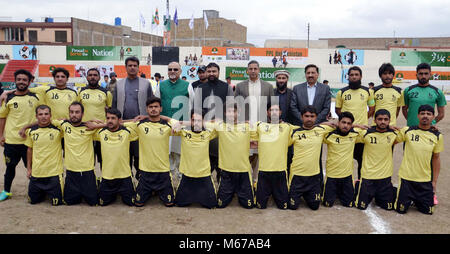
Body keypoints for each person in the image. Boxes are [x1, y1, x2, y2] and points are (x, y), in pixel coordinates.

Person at [20, 102, 99, 206]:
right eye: (71, 112)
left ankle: (96, 183)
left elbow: (112, 126)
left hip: (85, 170)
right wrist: (25, 127)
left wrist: (102, 124)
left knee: (94, 203)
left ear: (82, 114)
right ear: (69, 113)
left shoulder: (90, 128)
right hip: (69, 171)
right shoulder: (63, 125)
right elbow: (43, 122)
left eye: (77, 112)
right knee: (67, 202)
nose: (74, 114)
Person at [124, 97, 176, 207]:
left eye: (156, 107)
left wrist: (157, 117)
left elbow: (178, 122)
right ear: (146, 109)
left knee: (170, 203)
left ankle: (159, 190)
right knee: (138, 203)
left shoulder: (168, 125)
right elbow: (118, 123)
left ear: (161, 108)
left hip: (163, 170)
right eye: (150, 107)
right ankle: (148, 190)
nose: (153, 109)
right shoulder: (139, 125)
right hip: (145, 171)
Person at [0, 70, 42, 202]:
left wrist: (27, 127)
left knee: (32, 168)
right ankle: (6, 191)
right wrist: (1, 135)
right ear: (15, 81)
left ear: (30, 81)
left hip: (29, 141)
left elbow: (41, 117)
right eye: (19, 79)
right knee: (10, 167)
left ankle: (36, 191)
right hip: (11, 141)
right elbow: (2, 117)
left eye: (24, 80)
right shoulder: (8, 98)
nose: (21, 82)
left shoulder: (35, 97)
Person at [395, 105, 444, 215]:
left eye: (428, 114)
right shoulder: (408, 131)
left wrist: (434, 182)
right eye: (422, 113)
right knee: (401, 210)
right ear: (418, 116)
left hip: (424, 180)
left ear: (433, 117)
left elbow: (436, 159)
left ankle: (416, 199)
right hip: (406, 179)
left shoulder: (437, 136)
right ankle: (399, 193)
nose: (425, 116)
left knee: (428, 211)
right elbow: (390, 139)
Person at [113, 56, 153, 180]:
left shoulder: (146, 84)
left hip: (140, 126)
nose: (132, 68)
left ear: (138, 68)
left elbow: (151, 104)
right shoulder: (119, 84)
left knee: (140, 156)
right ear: (125, 67)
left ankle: (142, 181)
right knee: (124, 155)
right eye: (130, 65)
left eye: (135, 65)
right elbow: (114, 104)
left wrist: (147, 118)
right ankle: (126, 182)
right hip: (122, 126)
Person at [193, 62, 234, 182]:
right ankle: (206, 188)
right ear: (206, 73)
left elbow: (231, 109)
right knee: (206, 161)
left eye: (214, 71)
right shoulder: (200, 88)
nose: (211, 74)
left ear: (218, 73)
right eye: (209, 71)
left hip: (222, 130)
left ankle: (223, 186)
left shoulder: (226, 87)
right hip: (205, 129)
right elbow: (196, 109)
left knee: (222, 161)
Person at [234, 60, 274, 184]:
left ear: (259, 70)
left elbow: (271, 106)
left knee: (259, 153)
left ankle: (256, 180)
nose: (252, 71)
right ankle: (245, 179)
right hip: (245, 125)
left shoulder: (268, 86)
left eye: (255, 69)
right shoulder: (240, 86)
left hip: (262, 125)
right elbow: (236, 105)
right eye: (250, 69)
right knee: (245, 152)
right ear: (247, 70)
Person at [288, 106, 334, 210]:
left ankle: (306, 194)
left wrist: (357, 125)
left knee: (315, 207)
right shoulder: (294, 132)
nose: (309, 119)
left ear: (316, 117)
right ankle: (300, 193)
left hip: (313, 177)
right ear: (301, 117)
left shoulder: (322, 130)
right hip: (297, 176)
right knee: (292, 206)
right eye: (307, 116)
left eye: (312, 116)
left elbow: (342, 125)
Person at [154, 62, 194, 181]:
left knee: (181, 152)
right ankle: (169, 178)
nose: (172, 71)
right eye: (170, 69)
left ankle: (182, 178)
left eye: (175, 69)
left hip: (182, 126)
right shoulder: (161, 85)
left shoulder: (187, 85)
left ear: (180, 71)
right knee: (166, 152)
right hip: (164, 125)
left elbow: (193, 105)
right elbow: (156, 104)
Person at [355, 109, 401, 211]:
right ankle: (358, 184)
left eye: (386, 119)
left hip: (384, 178)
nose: (383, 122)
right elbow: (345, 129)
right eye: (380, 119)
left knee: (388, 207)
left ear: (389, 121)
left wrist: (431, 129)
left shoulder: (393, 134)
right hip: (368, 177)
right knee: (361, 206)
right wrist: (356, 126)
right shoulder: (366, 133)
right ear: (375, 120)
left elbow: (410, 132)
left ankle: (391, 190)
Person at [172, 109, 218, 209]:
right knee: (180, 203)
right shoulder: (183, 132)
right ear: (190, 120)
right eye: (193, 120)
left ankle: (199, 194)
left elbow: (220, 123)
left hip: (204, 174)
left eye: (199, 120)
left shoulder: (208, 133)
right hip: (187, 174)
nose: (196, 123)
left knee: (212, 204)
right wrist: (180, 123)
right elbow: (169, 122)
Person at [335, 66, 375, 180]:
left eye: (356, 75)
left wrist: (363, 119)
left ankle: (360, 185)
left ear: (361, 76)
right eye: (351, 75)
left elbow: (372, 108)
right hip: (346, 132)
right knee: (344, 161)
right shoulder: (341, 92)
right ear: (348, 76)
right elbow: (338, 109)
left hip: (361, 133)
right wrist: (348, 123)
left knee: (362, 160)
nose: (354, 77)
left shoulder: (368, 91)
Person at [215, 104, 256, 209]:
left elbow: (262, 135)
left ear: (238, 113)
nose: (231, 114)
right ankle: (231, 191)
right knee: (220, 205)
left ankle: (239, 191)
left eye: (233, 111)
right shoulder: (220, 126)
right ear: (225, 113)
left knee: (249, 205)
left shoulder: (247, 127)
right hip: (227, 170)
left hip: (243, 171)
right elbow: (199, 122)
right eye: (228, 111)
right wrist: (177, 123)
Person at [94, 108, 138, 206]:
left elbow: (138, 123)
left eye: (113, 118)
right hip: (107, 177)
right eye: (108, 118)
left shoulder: (127, 132)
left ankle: (131, 185)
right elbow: (86, 125)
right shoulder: (100, 132)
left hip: (124, 176)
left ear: (119, 120)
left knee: (131, 203)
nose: (110, 120)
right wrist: (102, 124)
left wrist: (123, 123)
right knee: (102, 203)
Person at [1, 67, 78, 121]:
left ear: (67, 79)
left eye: (62, 76)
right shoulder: (45, 89)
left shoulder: (73, 93)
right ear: (54, 78)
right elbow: (23, 89)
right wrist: (6, 92)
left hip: (68, 125)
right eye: (57, 76)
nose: (60, 78)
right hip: (51, 126)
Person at [254, 103, 292, 209]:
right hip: (264, 171)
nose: (274, 112)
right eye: (271, 110)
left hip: (280, 171)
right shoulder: (259, 126)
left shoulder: (287, 127)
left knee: (283, 207)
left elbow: (306, 128)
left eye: (277, 110)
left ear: (281, 112)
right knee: (260, 206)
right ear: (267, 112)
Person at [24, 105, 64, 206]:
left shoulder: (58, 130)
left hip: (54, 174)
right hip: (37, 173)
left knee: (57, 203)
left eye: (46, 114)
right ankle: (43, 192)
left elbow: (72, 124)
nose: (44, 117)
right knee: (32, 201)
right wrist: (29, 169)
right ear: (36, 116)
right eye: (40, 114)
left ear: (50, 115)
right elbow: (29, 150)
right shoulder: (31, 131)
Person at [322, 111, 361, 208]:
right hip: (332, 176)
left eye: (349, 124)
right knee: (327, 204)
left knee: (349, 204)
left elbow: (373, 130)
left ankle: (356, 185)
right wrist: (325, 123)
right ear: (338, 123)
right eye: (343, 122)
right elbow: (314, 128)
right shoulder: (329, 135)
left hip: (347, 176)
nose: (345, 125)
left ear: (351, 125)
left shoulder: (354, 135)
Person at [402, 63, 446, 127]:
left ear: (430, 75)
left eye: (426, 74)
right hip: (411, 129)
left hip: (428, 129)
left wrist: (432, 122)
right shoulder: (408, 90)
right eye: (421, 74)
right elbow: (404, 109)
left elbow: (441, 114)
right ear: (416, 75)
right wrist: (411, 121)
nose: (423, 76)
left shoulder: (438, 92)